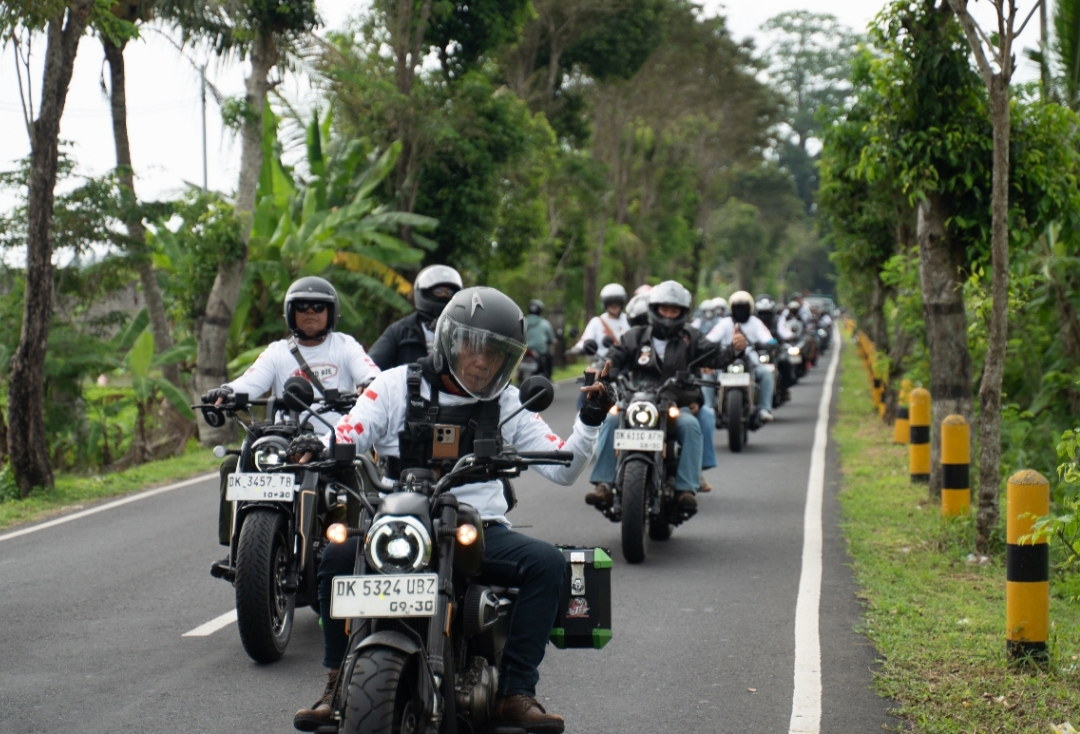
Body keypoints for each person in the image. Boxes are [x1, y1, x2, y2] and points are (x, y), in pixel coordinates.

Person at [291, 287, 614, 734]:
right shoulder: (393, 385)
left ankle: (516, 692)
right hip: (398, 520)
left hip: (478, 525)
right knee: (337, 555)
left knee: (547, 563)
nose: (481, 362)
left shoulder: (507, 403)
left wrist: (591, 418)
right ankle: (334, 683)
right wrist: (317, 444)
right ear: (448, 341)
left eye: (495, 354)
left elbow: (565, 468)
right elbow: (348, 433)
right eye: (472, 348)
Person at [201, 276, 381, 552]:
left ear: (331, 313)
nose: (310, 312)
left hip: (334, 439)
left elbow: (369, 372)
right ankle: (237, 547)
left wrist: (368, 383)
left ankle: (365, 543)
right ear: (290, 312)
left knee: (361, 464)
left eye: (318, 307)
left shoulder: (345, 346)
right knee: (232, 465)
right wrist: (226, 391)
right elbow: (251, 381)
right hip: (286, 441)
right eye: (302, 306)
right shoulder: (277, 352)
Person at [585, 281, 734, 512]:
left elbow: (715, 356)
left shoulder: (691, 337)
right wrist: (600, 371)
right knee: (611, 420)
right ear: (654, 309)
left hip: (674, 402)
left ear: (682, 313)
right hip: (635, 400)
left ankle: (686, 488)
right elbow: (615, 356)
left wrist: (734, 349)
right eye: (664, 309)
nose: (668, 315)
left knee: (690, 425)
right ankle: (603, 484)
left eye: (674, 310)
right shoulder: (635, 336)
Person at [367, 264, 463, 369]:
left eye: (449, 292)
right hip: (412, 379)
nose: (443, 295)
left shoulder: (467, 329)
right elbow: (370, 366)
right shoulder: (402, 330)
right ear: (424, 292)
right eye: (438, 291)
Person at [705, 291, 775, 424]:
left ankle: (763, 409)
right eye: (737, 307)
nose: (740, 310)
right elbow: (710, 339)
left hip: (750, 359)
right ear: (731, 308)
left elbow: (767, 337)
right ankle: (709, 407)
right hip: (725, 359)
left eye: (744, 307)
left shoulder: (755, 322)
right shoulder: (724, 323)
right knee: (707, 373)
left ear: (750, 308)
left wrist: (771, 343)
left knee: (767, 374)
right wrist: (707, 346)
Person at [567, 283, 630, 361]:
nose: (614, 305)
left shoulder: (629, 319)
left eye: (617, 301)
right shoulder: (596, 322)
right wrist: (577, 348)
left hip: (626, 363)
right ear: (605, 303)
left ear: (622, 302)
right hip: (602, 362)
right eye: (610, 302)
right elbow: (586, 339)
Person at [755, 295, 794, 402]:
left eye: (767, 313)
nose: (764, 316)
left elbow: (784, 332)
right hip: (756, 351)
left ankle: (784, 389)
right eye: (762, 313)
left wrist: (789, 336)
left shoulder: (778, 321)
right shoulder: (753, 322)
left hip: (774, 350)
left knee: (784, 361)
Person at [525, 299, 557, 378]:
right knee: (549, 358)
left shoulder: (523, 321)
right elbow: (552, 339)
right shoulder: (545, 323)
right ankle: (548, 378)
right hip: (540, 351)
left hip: (525, 350)